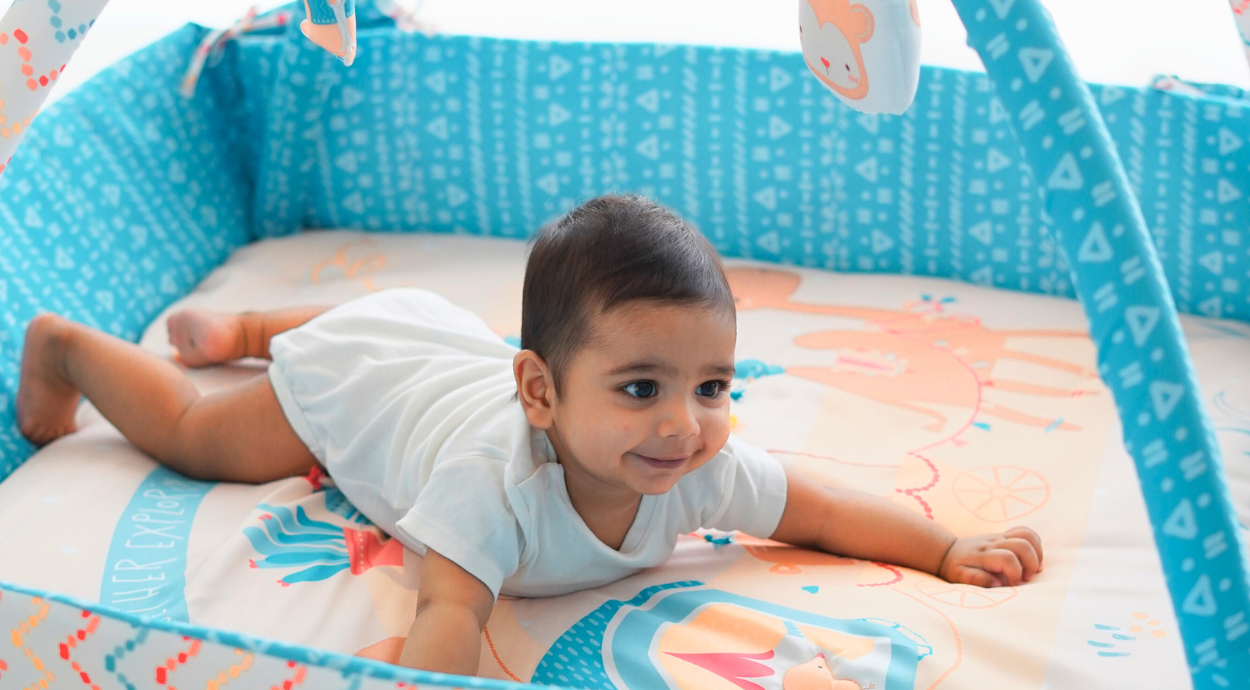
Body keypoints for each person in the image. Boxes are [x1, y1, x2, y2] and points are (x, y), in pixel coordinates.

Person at [16, 194, 1043, 676]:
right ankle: (74, 346)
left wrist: (945, 545)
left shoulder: (692, 463)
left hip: (444, 349)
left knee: (415, 330)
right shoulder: (489, 484)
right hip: (363, 388)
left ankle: (245, 326)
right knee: (203, 434)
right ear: (542, 398)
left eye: (712, 384)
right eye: (641, 388)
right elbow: (448, 615)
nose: (683, 424)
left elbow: (814, 508)